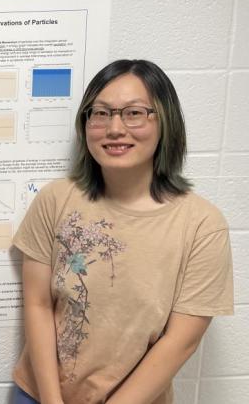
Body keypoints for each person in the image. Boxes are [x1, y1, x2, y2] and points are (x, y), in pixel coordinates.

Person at [12, 60, 233, 404]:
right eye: (100, 113)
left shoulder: (202, 225)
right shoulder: (56, 199)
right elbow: (39, 303)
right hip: (38, 393)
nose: (114, 128)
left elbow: (181, 341)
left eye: (134, 113)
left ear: (166, 122)